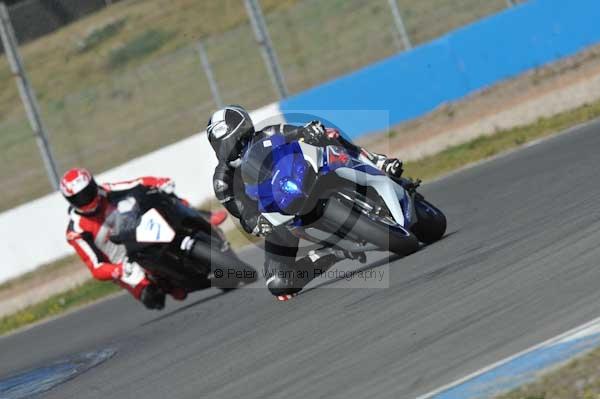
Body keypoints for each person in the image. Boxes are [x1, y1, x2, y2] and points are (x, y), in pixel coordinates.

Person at [207, 105, 418, 301]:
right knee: (278, 283)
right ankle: (330, 253)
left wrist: (308, 131)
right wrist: (256, 223)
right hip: (276, 217)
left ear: (245, 128)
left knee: (328, 134)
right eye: (223, 143)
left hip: (302, 179)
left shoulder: (268, 134)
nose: (232, 147)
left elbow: (292, 131)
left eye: (238, 139)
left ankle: (377, 161)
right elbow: (243, 214)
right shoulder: (222, 181)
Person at [61, 168, 228, 310]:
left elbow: (137, 183)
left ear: (93, 185)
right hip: (126, 263)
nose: (86, 199)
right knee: (152, 298)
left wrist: (159, 182)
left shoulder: (106, 191)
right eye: (79, 197)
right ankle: (170, 284)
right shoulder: (76, 231)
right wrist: (118, 270)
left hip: (139, 230)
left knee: (162, 196)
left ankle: (201, 217)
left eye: (88, 191)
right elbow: (95, 266)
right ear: (70, 200)